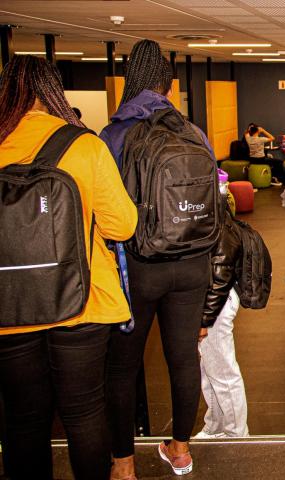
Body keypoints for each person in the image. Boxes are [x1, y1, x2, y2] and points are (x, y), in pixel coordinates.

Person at [0, 55, 137, 480]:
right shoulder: (83, 145)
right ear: (53, 92)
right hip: (83, 301)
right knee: (83, 410)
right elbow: (123, 224)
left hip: (10, 306)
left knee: (23, 418)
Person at [99, 39, 213, 478]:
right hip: (192, 262)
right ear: (168, 87)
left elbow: (108, 211)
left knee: (122, 366)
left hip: (138, 266)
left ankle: (124, 465)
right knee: (184, 357)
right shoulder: (193, 132)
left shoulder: (116, 134)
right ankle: (180, 449)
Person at [195, 200, 250, 439]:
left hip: (215, 303)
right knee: (208, 369)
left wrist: (206, 319)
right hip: (208, 301)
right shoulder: (205, 213)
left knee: (222, 372)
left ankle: (237, 434)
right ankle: (216, 425)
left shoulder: (215, 219)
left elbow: (220, 275)